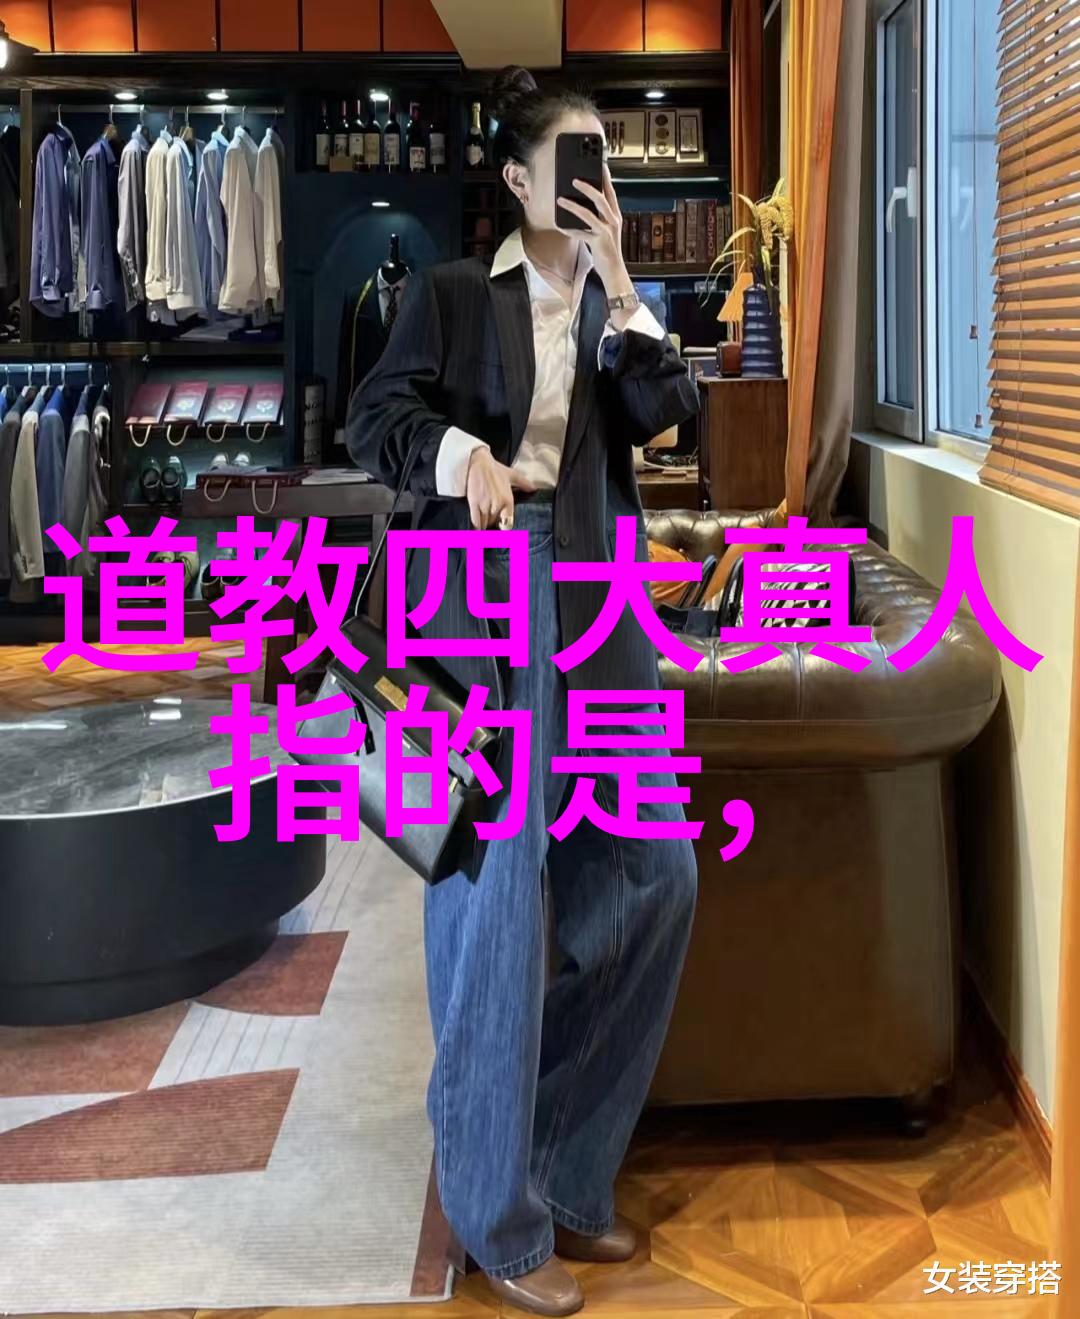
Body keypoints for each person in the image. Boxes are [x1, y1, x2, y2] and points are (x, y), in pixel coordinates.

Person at [346, 65, 700, 1318]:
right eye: (574, 157)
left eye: (608, 157)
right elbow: (374, 417)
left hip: (599, 591)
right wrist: (462, 454)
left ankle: (559, 1162)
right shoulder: (453, 292)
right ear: (515, 178)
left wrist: (626, 287)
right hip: (483, 588)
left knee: (658, 872)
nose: (596, 178)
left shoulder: (614, 308)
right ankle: (496, 1213)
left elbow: (670, 415)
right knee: (498, 888)